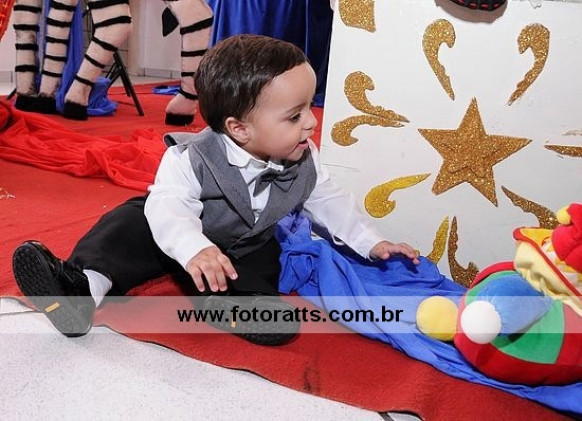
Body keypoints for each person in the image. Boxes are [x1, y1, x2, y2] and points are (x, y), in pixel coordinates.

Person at [12, 34, 419, 346]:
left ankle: (232, 305)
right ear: (239, 129)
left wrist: (372, 242)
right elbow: (170, 208)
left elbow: (331, 202)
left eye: (309, 107)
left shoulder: (304, 159)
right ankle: (83, 288)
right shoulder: (190, 158)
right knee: (126, 228)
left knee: (263, 263)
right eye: (294, 116)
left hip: (241, 244)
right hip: (174, 233)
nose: (311, 123)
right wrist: (194, 248)